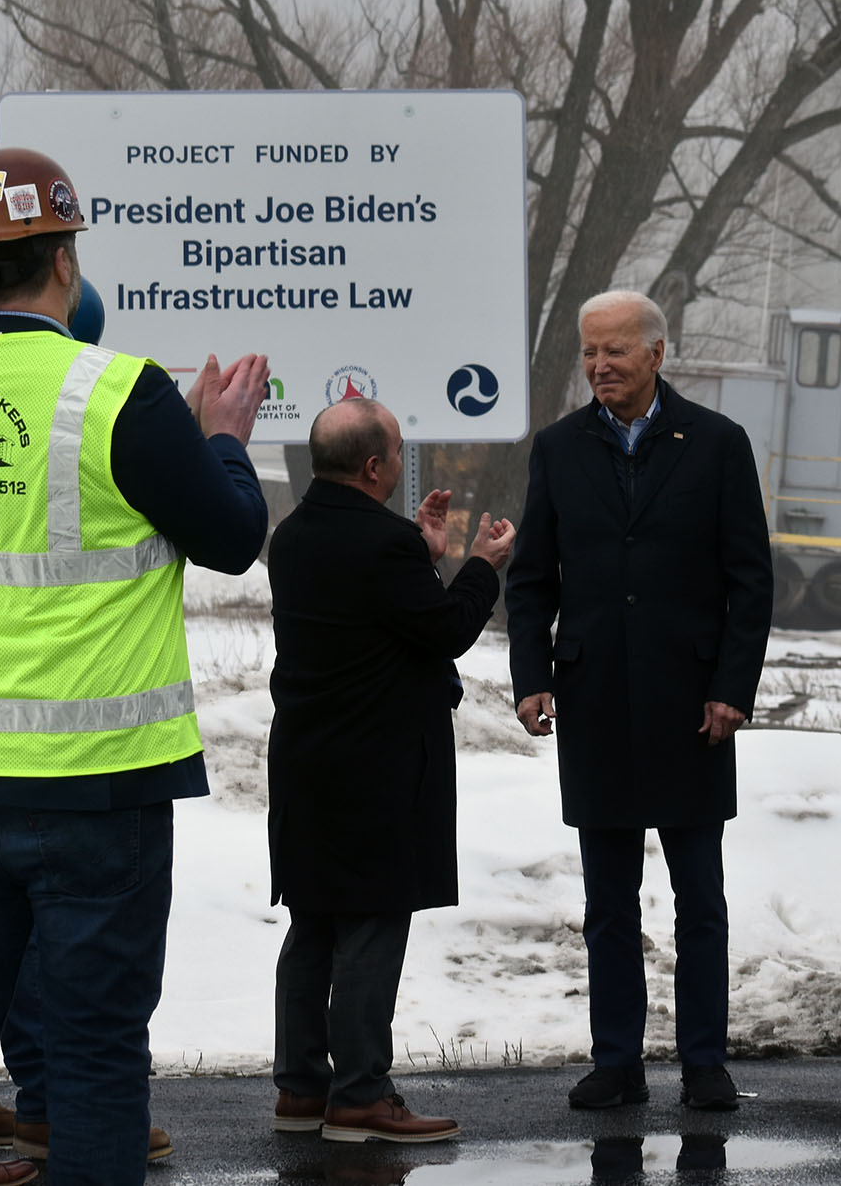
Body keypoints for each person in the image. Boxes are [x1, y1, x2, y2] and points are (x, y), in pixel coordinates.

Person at [0, 147, 271, 1186]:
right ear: (63, 262)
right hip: (99, 791)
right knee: (90, 1056)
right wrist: (221, 437)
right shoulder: (116, 393)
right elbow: (228, 537)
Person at [507, 289, 772, 1113]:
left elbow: (749, 582)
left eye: (614, 351)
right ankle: (617, 1061)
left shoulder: (720, 445)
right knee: (608, 903)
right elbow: (530, 581)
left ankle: (703, 1062)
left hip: (693, 709)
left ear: (658, 354)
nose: (598, 366)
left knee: (700, 898)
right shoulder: (558, 447)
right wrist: (532, 675)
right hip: (594, 701)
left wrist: (732, 688)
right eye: (590, 352)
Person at [267, 398, 516, 1143]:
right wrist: (478, 566)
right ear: (375, 466)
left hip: (306, 762)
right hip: (377, 765)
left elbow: (377, 613)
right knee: (372, 924)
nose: (405, 464)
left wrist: (424, 555)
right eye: (399, 452)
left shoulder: (292, 534)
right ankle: (362, 1095)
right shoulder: (383, 544)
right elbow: (441, 630)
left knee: (312, 924)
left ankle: (302, 1088)